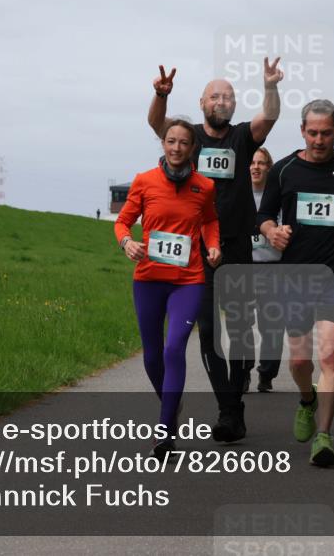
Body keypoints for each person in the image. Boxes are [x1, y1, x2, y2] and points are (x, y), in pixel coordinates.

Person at [148, 59, 283, 441]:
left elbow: (268, 118)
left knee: (239, 331)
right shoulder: (189, 136)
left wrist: (270, 87)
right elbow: (158, 125)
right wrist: (160, 95)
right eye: (215, 96)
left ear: (234, 105)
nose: (221, 102)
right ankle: (228, 410)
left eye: (228, 97)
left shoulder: (243, 137)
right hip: (197, 250)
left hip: (236, 246)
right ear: (202, 101)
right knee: (207, 330)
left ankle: (234, 409)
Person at [256, 99, 334, 466]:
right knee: (299, 360)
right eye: (312, 133)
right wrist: (271, 231)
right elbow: (263, 215)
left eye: (326, 133)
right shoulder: (285, 170)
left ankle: (324, 436)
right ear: (302, 131)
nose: (319, 140)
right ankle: (307, 399)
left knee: (330, 351)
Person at [115, 119, 222, 457]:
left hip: (188, 281)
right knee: (152, 355)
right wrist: (126, 243)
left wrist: (213, 245)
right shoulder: (144, 181)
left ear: (193, 148)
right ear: (163, 144)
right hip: (148, 279)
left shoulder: (204, 186)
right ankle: (170, 404)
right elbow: (123, 221)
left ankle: (164, 431)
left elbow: (209, 220)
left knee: (174, 347)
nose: (176, 148)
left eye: (183, 143)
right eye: (170, 141)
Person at [248, 148, 284, 393]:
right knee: (240, 324)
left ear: (269, 168)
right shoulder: (239, 196)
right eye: (252, 162)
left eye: (262, 163)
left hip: (273, 268)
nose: (256, 167)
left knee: (271, 326)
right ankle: (241, 373)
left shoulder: (279, 198)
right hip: (244, 267)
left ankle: (267, 374)